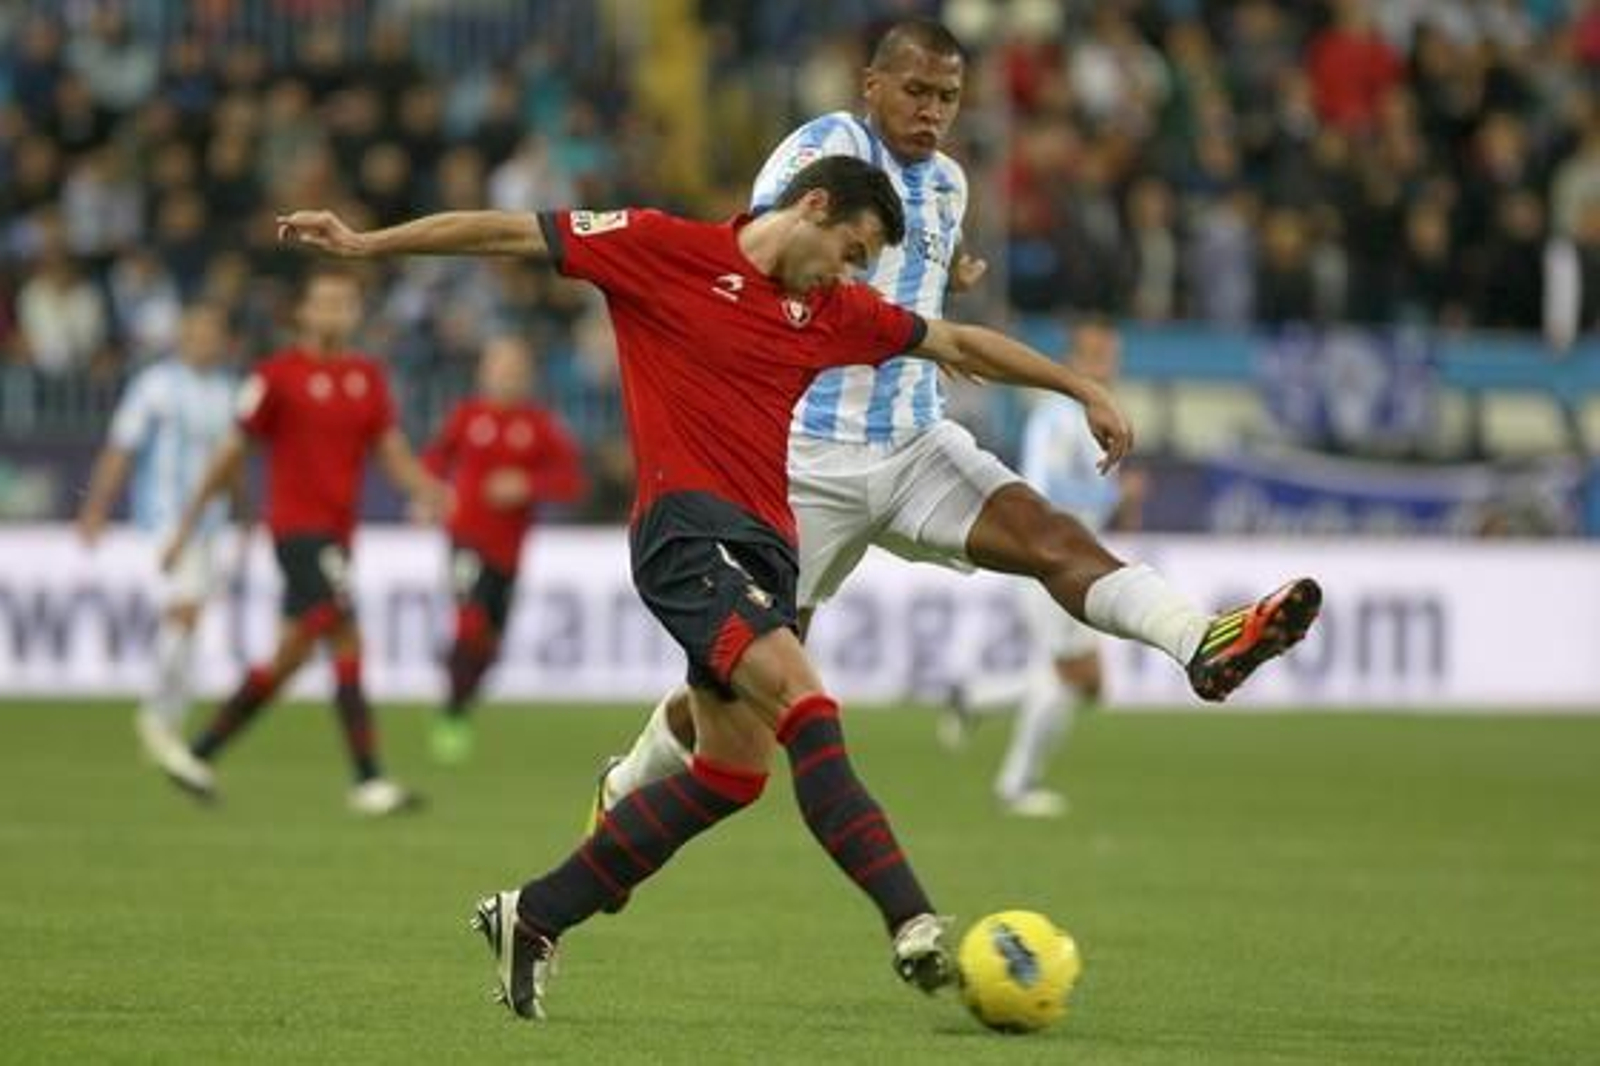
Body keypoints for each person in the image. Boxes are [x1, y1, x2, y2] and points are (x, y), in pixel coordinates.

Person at [275, 154, 1154, 1020]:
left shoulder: (832, 311)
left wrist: (1080, 387)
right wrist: (366, 246)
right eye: (850, 250)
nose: (851, 274)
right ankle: (912, 919)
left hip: (768, 549)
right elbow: (504, 232)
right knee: (808, 705)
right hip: (685, 534)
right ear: (812, 206)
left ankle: (532, 915)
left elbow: (958, 344)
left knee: (733, 773)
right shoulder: (661, 247)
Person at [594, 19, 1321, 831]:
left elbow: (922, 267)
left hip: (914, 443)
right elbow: (761, 259)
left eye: (948, 97)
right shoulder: (822, 148)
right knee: (738, 693)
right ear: (871, 87)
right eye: (916, 91)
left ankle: (1200, 640)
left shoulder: (948, 183)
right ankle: (626, 784)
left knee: (1051, 537)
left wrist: (954, 274)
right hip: (801, 461)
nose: (933, 110)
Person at [155, 267, 445, 816]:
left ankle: (195, 753)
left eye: (344, 303)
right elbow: (230, 454)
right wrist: (188, 524)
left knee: (290, 658)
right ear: (304, 313)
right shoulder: (275, 377)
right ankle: (368, 780)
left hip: (338, 534)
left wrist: (429, 491)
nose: (334, 312)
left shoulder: (367, 377)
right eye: (324, 302)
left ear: (356, 312)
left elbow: (390, 450)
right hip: (297, 532)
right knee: (347, 637)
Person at [940, 319, 1143, 817]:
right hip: (1049, 559)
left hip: (1077, 558)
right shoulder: (1055, 417)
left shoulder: (1094, 418)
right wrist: (1114, 494)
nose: (1105, 365)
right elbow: (1041, 489)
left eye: (1110, 355)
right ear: (1073, 360)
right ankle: (1015, 785)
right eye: (1095, 355)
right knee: (1073, 674)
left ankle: (975, 699)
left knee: (1089, 682)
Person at [77, 302, 241, 768]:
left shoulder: (230, 391)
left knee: (190, 618)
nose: (205, 342)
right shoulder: (155, 386)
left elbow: (234, 462)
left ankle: (168, 719)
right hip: (165, 515)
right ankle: (155, 714)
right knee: (185, 609)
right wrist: (96, 507)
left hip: (213, 519)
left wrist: (246, 514)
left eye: (213, 333)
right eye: (197, 333)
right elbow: (121, 448)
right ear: (182, 338)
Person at [421, 335, 587, 765]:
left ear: (527, 377)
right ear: (484, 372)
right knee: (470, 621)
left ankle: (461, 701)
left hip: (509, 553)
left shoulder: (538, 426)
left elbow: (570, 482)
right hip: (465, 540)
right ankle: (451, 714)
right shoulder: (467, 417)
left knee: (490, 645)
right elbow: (435, 460)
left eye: (514, 369)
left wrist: (527, 486)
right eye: (499, 368)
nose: (506, 377)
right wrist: (429, 495)